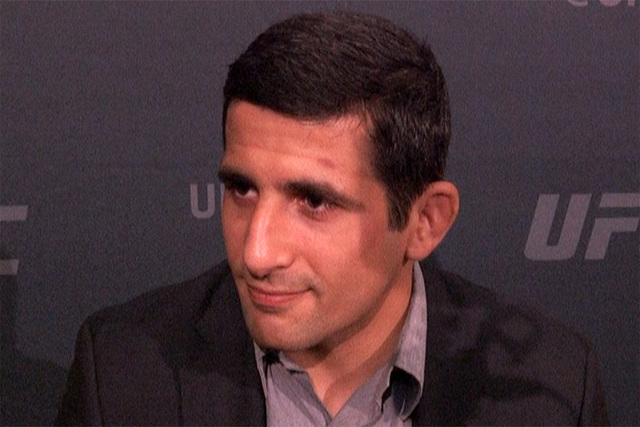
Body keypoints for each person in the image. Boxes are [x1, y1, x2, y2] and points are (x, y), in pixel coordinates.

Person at [56, 11, 607, 426]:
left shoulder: (552, 389)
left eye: (314, 202)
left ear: (425, 221)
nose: (256, 253)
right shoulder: (124, 376)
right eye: (242, 188)